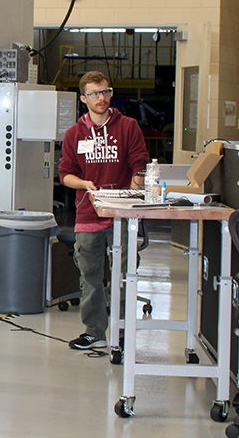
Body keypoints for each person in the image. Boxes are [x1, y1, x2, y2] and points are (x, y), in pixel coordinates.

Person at [59, 71, 150, 350]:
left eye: (105, 92)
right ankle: (94, 330)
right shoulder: (74, 134)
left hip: (122, 215)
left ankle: (122, 330)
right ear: (84, 98)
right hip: (88, 215)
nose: (101, 98)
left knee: (123, 275)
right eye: (95, 93)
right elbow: (66, 174)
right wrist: (85, 184)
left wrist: (131, 195)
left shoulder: (128, 126)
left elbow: (140, 164)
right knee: (90, 278)